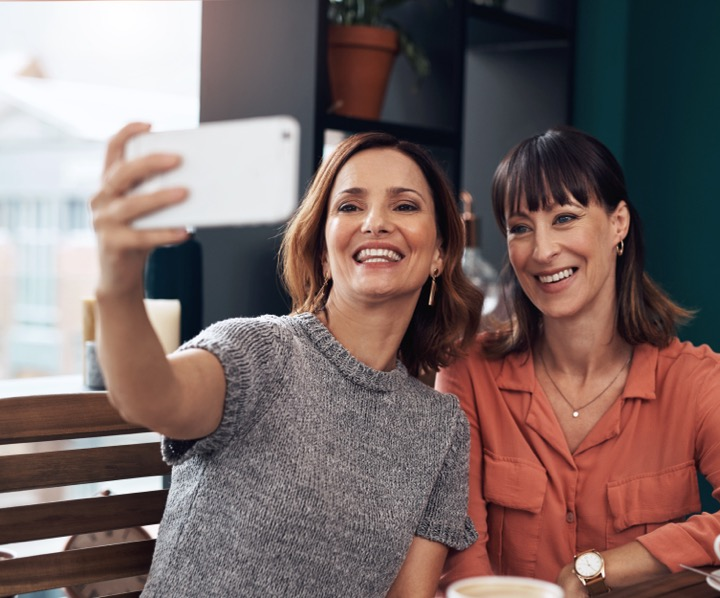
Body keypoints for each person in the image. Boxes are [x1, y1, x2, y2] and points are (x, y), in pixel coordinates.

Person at [90, 124, 482, 596]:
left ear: (439, 253)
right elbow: (151, 398)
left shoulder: (440, 428)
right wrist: (119, 278)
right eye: (350, 206)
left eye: (405, 205)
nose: (375, 222)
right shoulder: (260, 352)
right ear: (321, 252)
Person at [437, 126, 720, 596]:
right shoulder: (468, 373)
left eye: (564, 218)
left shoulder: (697, 380)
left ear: (618, 223)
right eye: (520, 228)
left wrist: (602, 567)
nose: (543, 251)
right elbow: (461, 554)